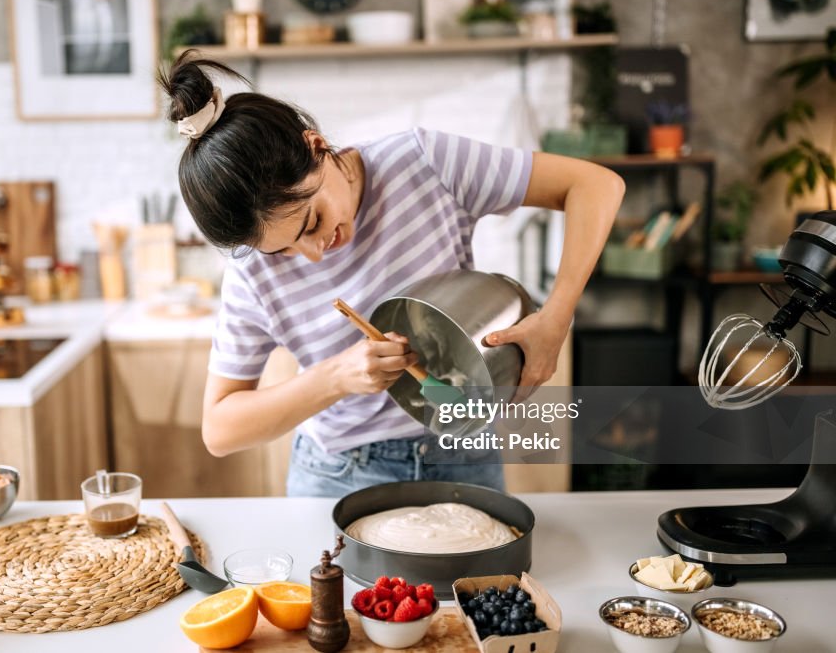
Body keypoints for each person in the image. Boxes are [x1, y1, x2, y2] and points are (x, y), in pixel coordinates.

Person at [157, 51, 624, 497]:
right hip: (338, 476)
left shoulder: (424, 163)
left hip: (463, 455)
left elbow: (596, 185)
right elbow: (219, 430)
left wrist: (557, 317)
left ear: (316, 146)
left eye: (314, 221)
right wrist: (337, 376)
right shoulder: (252, 275)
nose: (315, 254)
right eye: (285, 251)